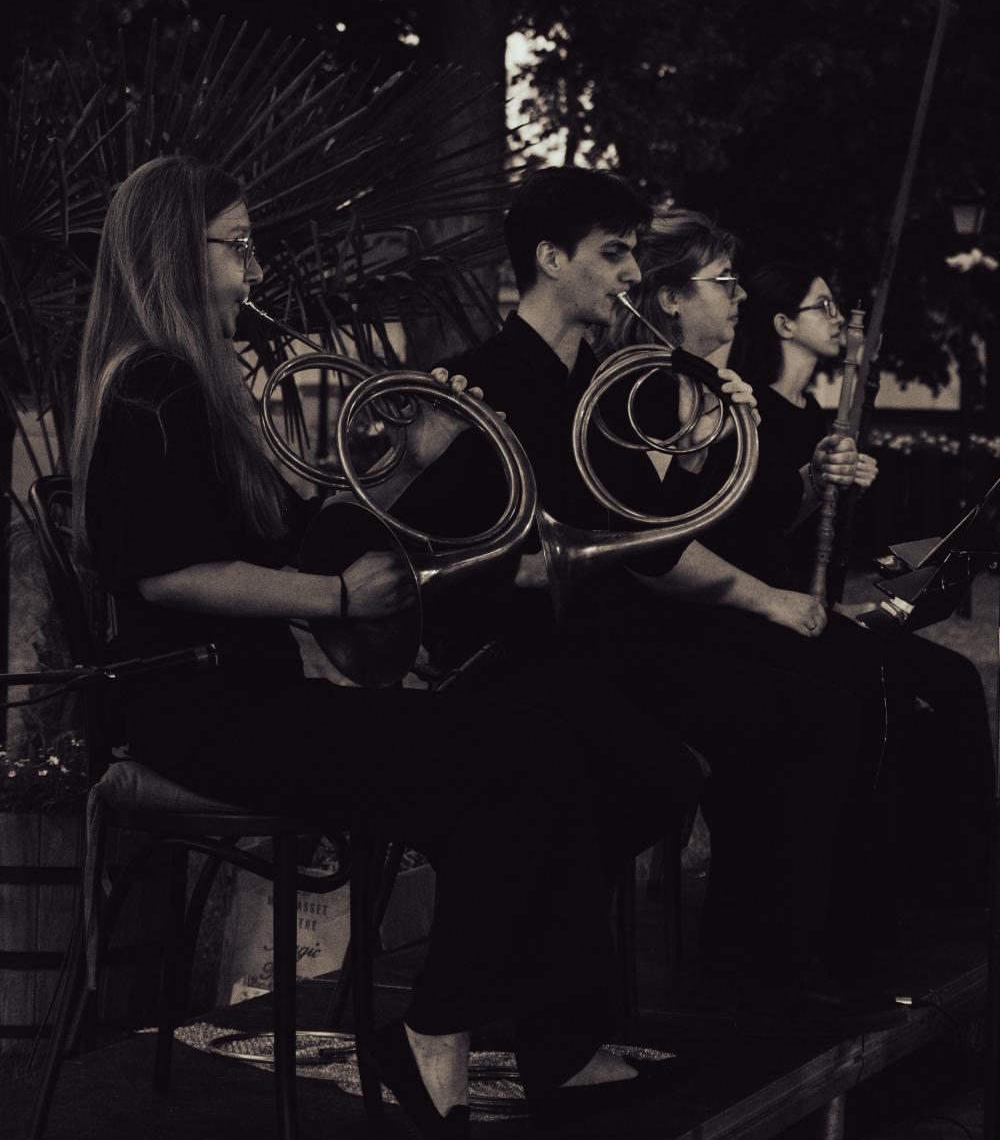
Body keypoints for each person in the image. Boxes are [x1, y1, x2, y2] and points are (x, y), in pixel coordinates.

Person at [69, 155, 688, 1140]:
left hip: (247, 695)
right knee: (526, 754)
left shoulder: (194, 384)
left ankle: (541, 1041)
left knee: (528, 758)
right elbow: (166, 574)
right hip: (199, 710)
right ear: (176, 252)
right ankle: (442, 1033)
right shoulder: (154, 385)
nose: (256, 271)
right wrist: (335, 595)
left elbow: (285, 538)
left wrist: (409, 456)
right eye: (239, 247)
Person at [400, 169, 890, 1022]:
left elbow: (649, 535)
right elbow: (419, 547)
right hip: (511, 654)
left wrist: (701, 449)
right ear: (552, 259)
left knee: (818, 713)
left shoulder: (599, 384)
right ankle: (549, 978)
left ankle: (763, 963)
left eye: (633, 253)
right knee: (654, 773)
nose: (633, 272)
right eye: (614, 253)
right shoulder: (475, 382)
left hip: (602, 642)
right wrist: (421, 465)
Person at [728, 261, 993, 907]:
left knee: (952, 674)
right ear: (783, 323)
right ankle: (917, 880)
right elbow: (760, 539)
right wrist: (821, 498)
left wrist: (887, 547)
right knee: (908, 689)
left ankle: (955, 869)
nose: (838, 319)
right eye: (821, 306)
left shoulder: (819, 414)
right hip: (776, 609)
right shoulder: (754, 411)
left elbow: (837, 546)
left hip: (826, 601)